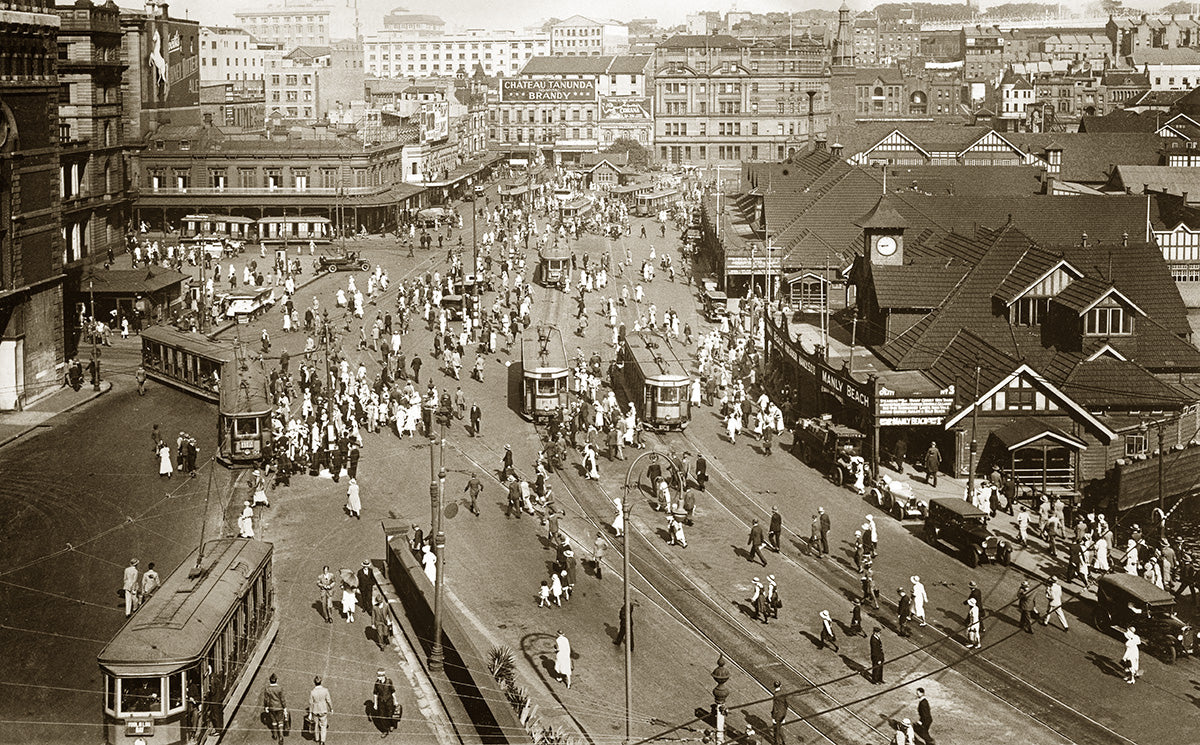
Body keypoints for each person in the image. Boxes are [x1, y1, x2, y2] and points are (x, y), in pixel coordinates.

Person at [373, 669, 399, 737]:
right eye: (377, 675)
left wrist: (395, 700)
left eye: (379, 675)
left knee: (390, 715)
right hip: (381, 702)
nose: (378, 677)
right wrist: (375, 703)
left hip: (389, 701)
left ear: (383, 675)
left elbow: (392, 691)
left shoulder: (389, 681)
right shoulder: (377, 683)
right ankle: (385, 730)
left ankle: (392, 725)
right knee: (381, 716)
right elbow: (375, 693)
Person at [262, 673, 288, 742]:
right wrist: (284, 707)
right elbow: (282, 699)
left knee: (273, 721)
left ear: (270, 680)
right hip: (279, 707)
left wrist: (266, 707)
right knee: (280, 722)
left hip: (271, 707)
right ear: (276, 680)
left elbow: (266, 699)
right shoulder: (279, 688)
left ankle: (275, 734)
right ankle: (281, 737)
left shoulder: (267, 689)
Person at [308, 676, 332, 745]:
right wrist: (331, 708)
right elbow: (328, 700)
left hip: (315, 710)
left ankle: (317, 738)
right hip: (323, 710)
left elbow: (311, 703)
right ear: (321, 682)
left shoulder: (312, 692)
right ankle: (322, 741)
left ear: (314, 683)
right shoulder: (325, 690)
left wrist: (310, 713)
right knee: (323, 726)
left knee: (316, 725)